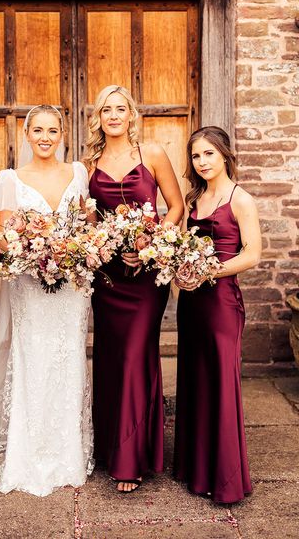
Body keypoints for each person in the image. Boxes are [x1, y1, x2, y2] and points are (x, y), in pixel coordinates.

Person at [0, 105, 94, 496]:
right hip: (30, 286)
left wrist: (77, 248)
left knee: (68, 360)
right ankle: (27, 455)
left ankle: (67, 453)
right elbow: (2, 236)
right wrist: (33, 253)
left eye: (53, 130)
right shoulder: (11, 179)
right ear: (27, 134)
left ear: (62, 133)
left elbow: (87, 223)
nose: (46, 137)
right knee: (33, 359)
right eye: (38, 130)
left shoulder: (78, 172)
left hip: (70, 289)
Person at [86, 85, 184, 492]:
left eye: (120, 108)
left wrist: (151, 247)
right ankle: (112, 447)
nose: (113, 115)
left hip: (145, 279)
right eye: (106, 109)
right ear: (99, 117)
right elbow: (88, 219)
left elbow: (176, 207)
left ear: (131, 114)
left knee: (135, 354)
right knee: (110, 357)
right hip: (107, 279)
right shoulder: (89, 162)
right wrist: (96, 245)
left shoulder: (153, 154)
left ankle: (132, 459)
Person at [173, 126, 262, 504]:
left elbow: (252, 253)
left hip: (222, 302)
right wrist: (178, 266)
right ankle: (197, 469)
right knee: (195, 379)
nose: (202, 161)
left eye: (209, 153)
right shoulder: (195, 199)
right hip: (191, 304)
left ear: (224, 154)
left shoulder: (240, 199)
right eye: (196, 156)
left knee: (221, 382)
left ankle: (225, 478)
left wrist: (209, 271)